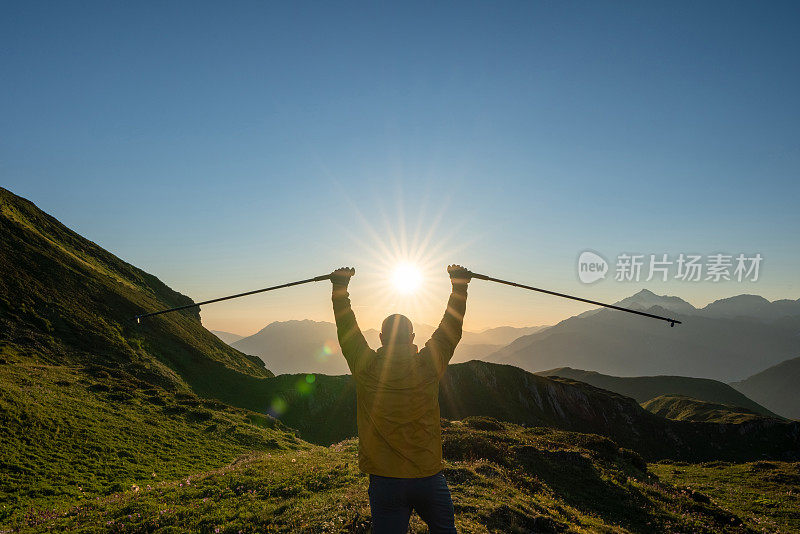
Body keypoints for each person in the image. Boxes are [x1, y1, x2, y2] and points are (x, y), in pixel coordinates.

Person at [329, 264, 471, 534]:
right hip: (428, 476)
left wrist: (340, 288)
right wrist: (459, 286)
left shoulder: (366, 367)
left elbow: (346, 329)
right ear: (412, 337)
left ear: (381, 338)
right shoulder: (428, 366)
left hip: (386, 480)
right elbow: (451, 329)